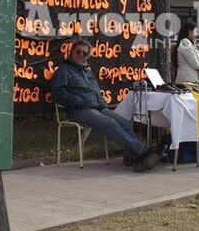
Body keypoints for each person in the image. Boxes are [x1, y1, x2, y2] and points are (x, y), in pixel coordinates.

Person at [51, 39, 161, 172]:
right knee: (110, 123)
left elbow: (95, 90)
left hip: (97, 107)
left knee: (124, 122)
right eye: (78, 51)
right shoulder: (64, 70)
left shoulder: (87, 71)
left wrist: (101, 101)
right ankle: (140, 151)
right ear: (72, 52)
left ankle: (134, 155)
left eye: (84, 53)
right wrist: (79, 101)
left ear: (88, 56)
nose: (80, 55)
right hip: (78, 109)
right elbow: (58, 93)